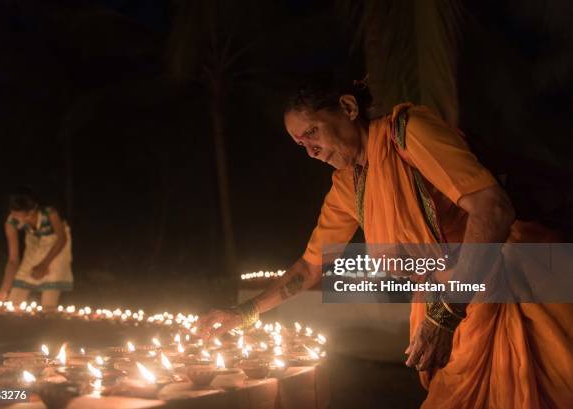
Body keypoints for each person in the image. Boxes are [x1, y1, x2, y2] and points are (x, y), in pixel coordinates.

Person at [198, 78, 572, 408]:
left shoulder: (408, 133)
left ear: (347, 107)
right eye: (300, 144)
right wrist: (244, 312)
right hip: (452, 311)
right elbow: (309, 267)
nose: (310, 151)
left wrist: (446, 311)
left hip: (509, 295)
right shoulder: (348, 186)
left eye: (312, 132)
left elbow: (492, 208)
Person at [0, 188, 73, 308]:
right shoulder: (11, 222)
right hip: (34, 244)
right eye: (17, 217)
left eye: (26, 217)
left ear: (34, 209)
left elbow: (62, 239)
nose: (22, 221)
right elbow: (13, 260)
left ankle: (50, 320)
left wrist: (44, 265)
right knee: (14, 298)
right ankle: (13, 322)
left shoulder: (50, 213)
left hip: (56, 246)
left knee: (50, 291)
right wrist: (4, 290)